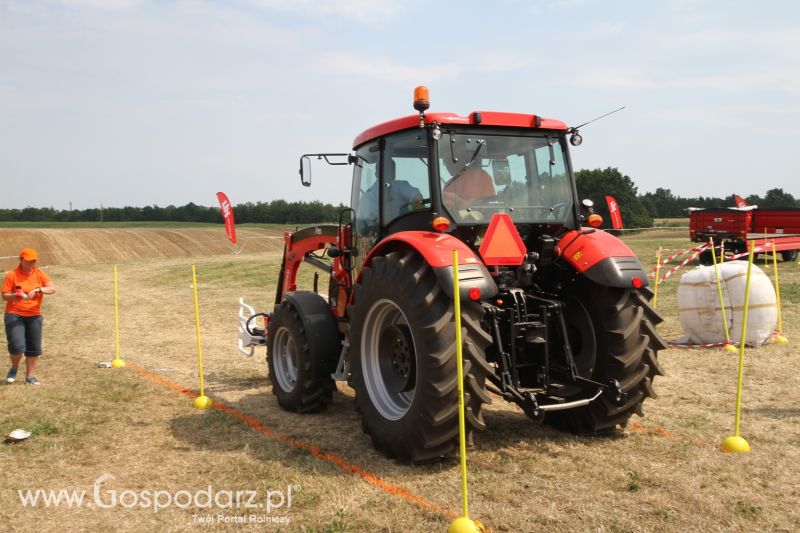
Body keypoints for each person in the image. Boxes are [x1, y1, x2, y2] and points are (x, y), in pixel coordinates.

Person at [2, 248, 56, 385]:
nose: (31, 264)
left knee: (33, 348)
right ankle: (14, 368)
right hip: (14, 314)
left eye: (33, 261)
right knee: (17, 346)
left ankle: (30, 376)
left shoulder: (39, 273)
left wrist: (39, 289)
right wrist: (14, 296)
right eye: (28, 261)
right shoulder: (12, 275)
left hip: (35, 314)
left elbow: (52, 288)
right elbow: (4, 295)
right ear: (21, 260)